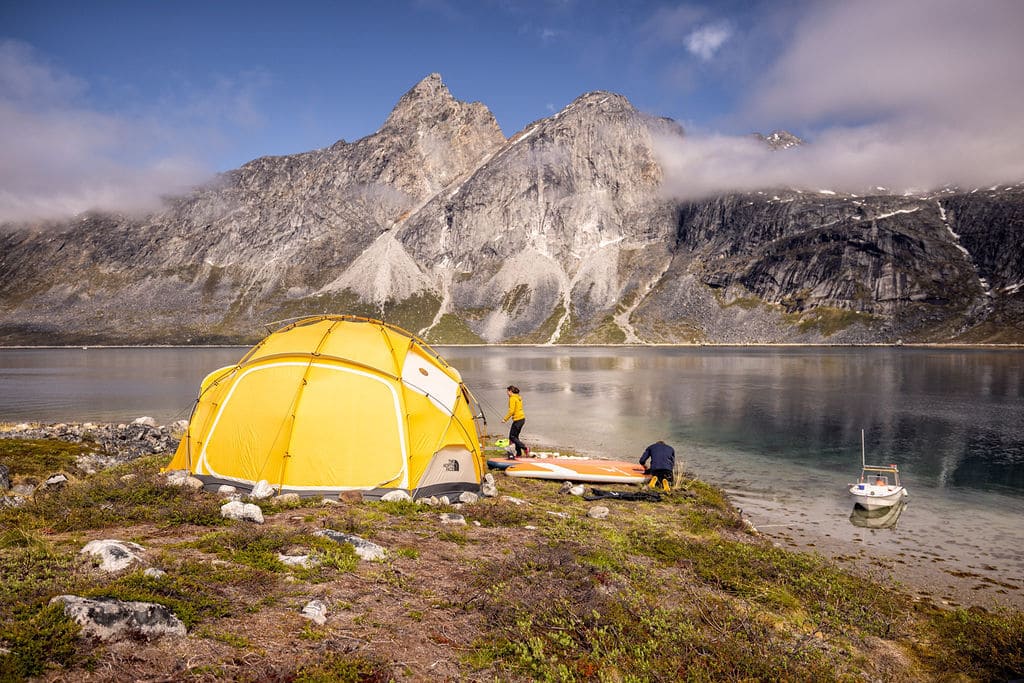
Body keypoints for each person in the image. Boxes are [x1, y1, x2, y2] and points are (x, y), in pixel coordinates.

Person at [501, 385, 529, 459]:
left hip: (518, 420)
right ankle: (519, 453)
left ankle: (525, 448)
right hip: (522, 419)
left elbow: (511, 411)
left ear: (510, 391)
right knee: (515, 437)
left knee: (512, 437)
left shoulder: (512, 398)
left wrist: (505, 419)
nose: (507, 393)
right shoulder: (518, 397)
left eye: (507, 391)